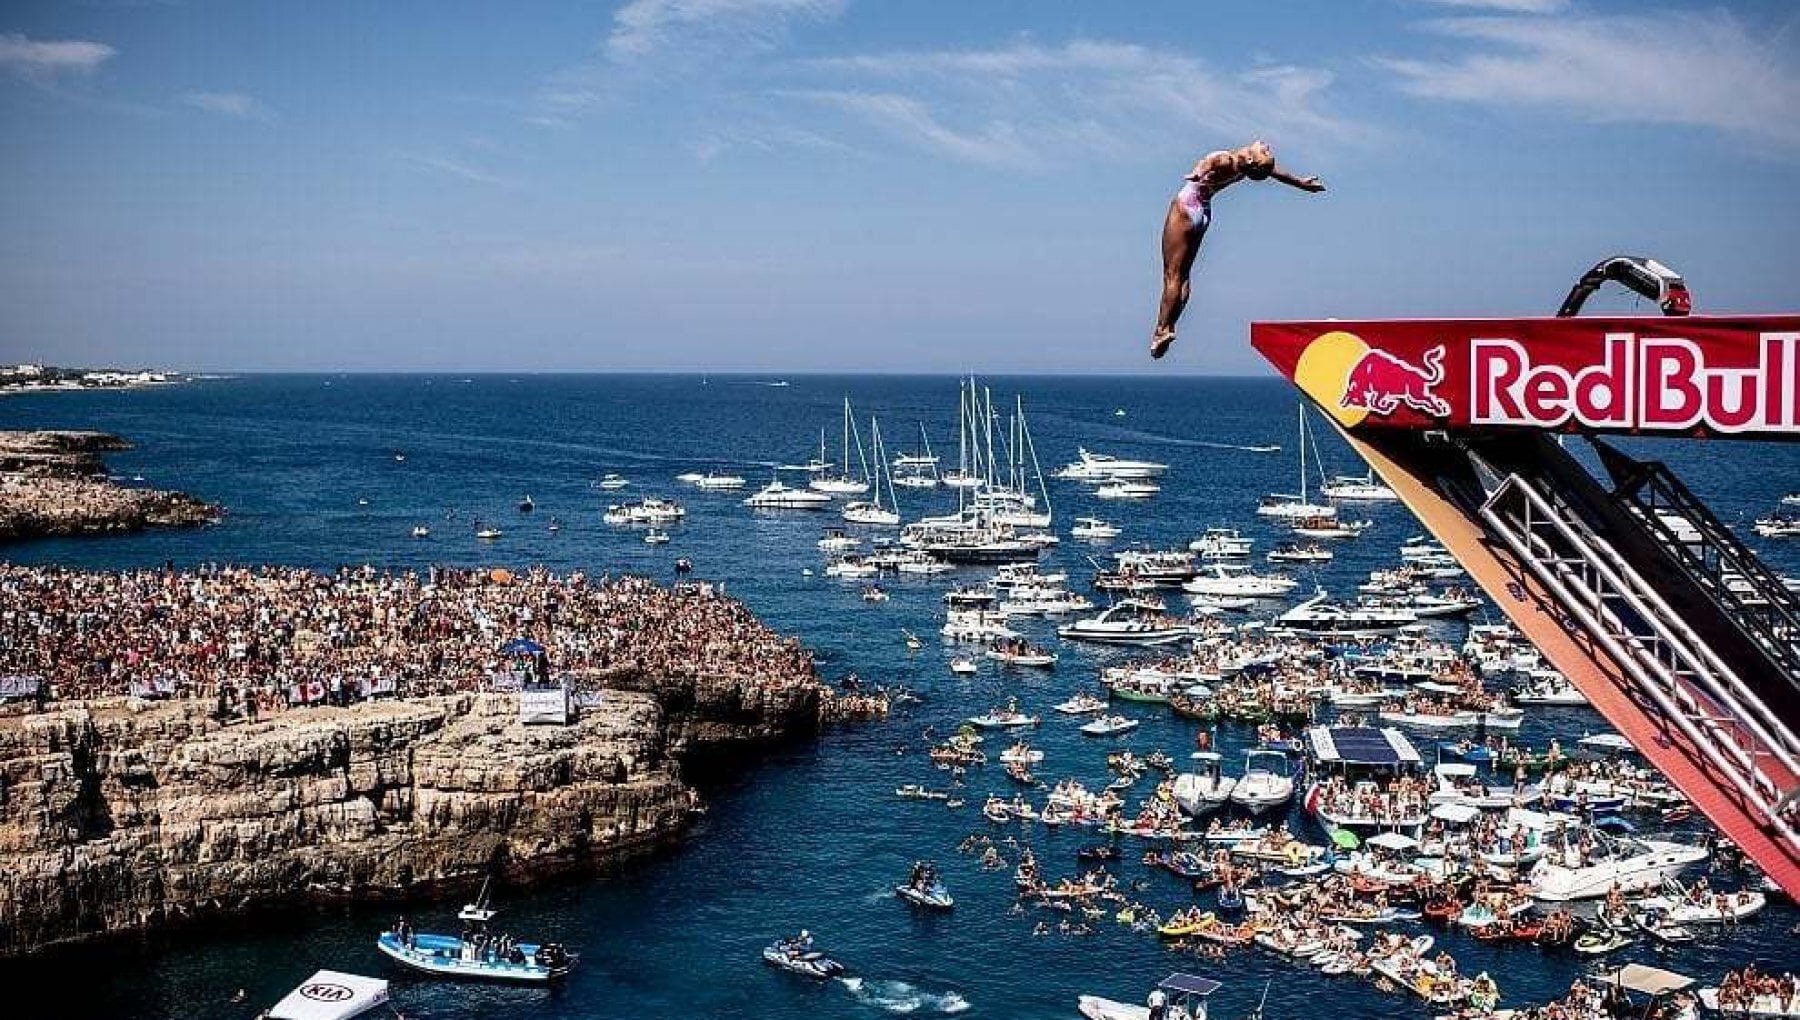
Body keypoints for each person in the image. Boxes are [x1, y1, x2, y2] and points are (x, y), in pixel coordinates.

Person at [1151, 139, 1325, 359]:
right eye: (1267, 151)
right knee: (1184, 276)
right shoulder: (1246, 168)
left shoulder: (1228, 159)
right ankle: (1170, 327)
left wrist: (1196, 172)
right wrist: (1300, 183)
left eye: (1264, 151)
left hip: (1186, 207)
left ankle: (1161, 330)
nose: (1267, 146)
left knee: (1171, 275)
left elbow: (1209, 162)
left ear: (1251, 159)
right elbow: (1272, 172)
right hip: (1203, 213)